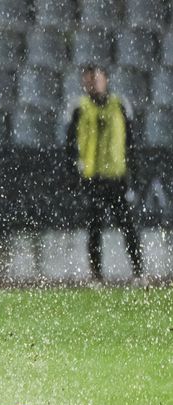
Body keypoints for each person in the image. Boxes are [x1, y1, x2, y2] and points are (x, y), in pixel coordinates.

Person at [66, 64, 143, 282]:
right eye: (89, 80)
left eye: (96, 79)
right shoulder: (79, 108)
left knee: (128, 226)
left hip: (117, 176)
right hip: (93, 177)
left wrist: (134, 174)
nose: (93, 84)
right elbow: (70, 144)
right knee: (94, 228)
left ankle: (138, 272)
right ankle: (97, 276)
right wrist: (73, 173)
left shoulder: (119, 105)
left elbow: (131, 142)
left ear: (106, 80)